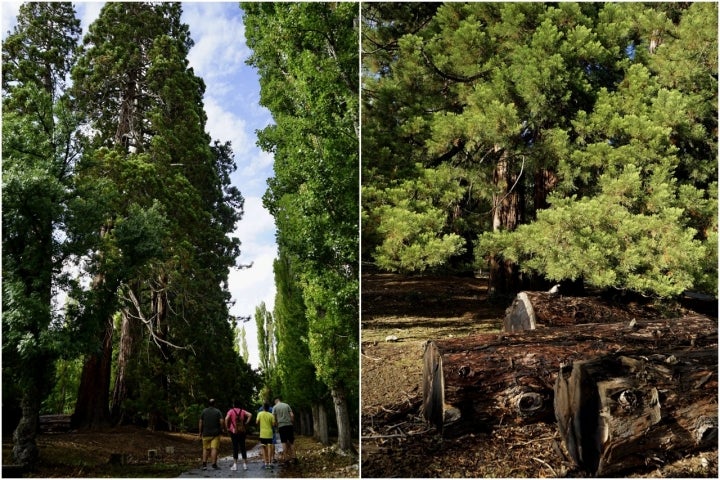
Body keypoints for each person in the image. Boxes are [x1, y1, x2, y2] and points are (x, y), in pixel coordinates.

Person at [225, 400, 252, 471]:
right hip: (242, 431)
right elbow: (250, 415)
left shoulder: (231, 411)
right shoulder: (242, 411)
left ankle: (235, 465)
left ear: (234, 405)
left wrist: (227, 427)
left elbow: (226, 419)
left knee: (235, 447)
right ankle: (245, 465)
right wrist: (246, 423)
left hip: (233, 431)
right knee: (243, 447)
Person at [199, 398, 225, 470]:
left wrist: (200, 432)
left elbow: (200, 422)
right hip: (215, 434)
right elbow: (222, 421)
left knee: (205, 449)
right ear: (214, 404)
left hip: (206, 433)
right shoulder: (218, 411)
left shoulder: (204, 411)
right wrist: (221, 429)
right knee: (214, 448)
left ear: (208, 403)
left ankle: (204, 465)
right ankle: (214, 464)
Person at [273, 396, 297, 464]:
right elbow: (292, 415)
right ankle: (294, 457)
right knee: (291, 442)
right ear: (279, 400)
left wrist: (276, 425)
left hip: (281, 426)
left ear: (275, 401)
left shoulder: (275, 407)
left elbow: (274, 419)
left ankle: (286, 459)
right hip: (289, 425)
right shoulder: (287, 405)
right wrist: (291, 422)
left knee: (284, 442)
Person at [256, 402, 276, 469]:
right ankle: (270, 463)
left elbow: (257, 422)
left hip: (262, 433)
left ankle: (265, 463)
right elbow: (273, 424)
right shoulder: (271, 415)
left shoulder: (260, 414)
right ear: (269, 408)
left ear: (263, 407)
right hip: (269, 433)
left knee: (263, 448)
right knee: (269, 447)